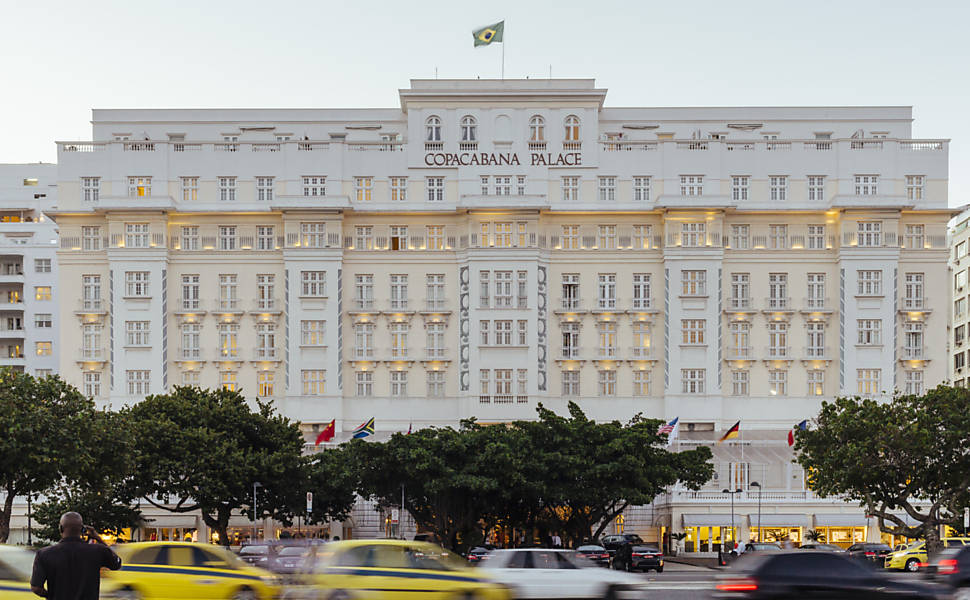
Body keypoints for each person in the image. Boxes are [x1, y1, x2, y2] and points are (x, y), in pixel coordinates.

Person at [30, 512, 122, 600]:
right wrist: (98, 538)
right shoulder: (98, 551)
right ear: (82, 529)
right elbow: (116, 563)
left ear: (61, 528)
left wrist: (51, 596)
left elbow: (36, 588)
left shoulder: (44, 554)